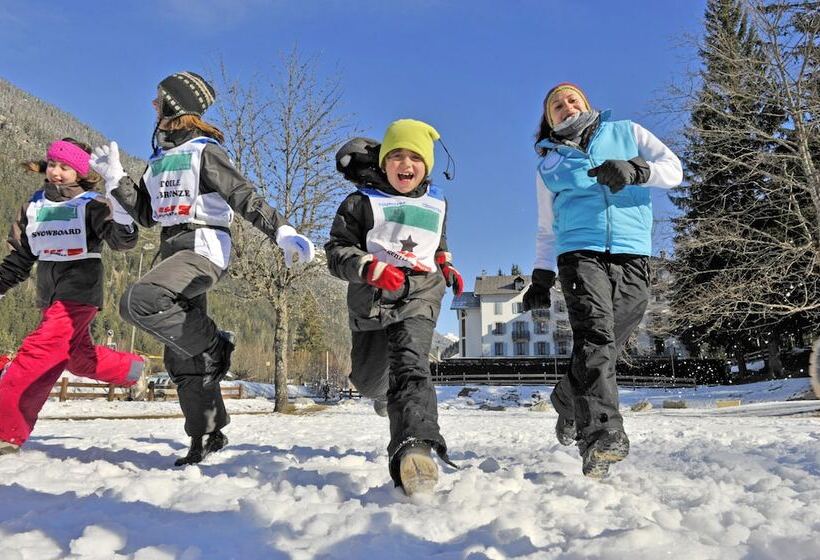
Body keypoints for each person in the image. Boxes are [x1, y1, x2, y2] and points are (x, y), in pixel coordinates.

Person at [90, 71, 315, 466]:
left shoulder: (205, 152)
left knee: (139, 301)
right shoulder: (158, 161)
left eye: (159, 99)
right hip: (170, 249)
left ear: (175, 105)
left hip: (204, 246)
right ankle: (207, 433)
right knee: (182, 355)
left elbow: (243, 196)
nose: (153, 105)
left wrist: (280, 230)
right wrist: (117, 179)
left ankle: (216, 343)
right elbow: (145, 215)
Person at [523, 83, 682, 478]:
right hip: (579, 253)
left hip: (632, 251)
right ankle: (601, 435)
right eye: (556, 105)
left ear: (586, 104)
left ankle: (566, 398)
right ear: (549, 120)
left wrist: (635, 171)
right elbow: (546, 226)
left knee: (613, 335)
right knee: (595, 335)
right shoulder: (549, 165)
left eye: (571, 99)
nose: (565, 106)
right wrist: (541, 276)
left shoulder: (627, 132)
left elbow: (673, 170)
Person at [326, 119, 462, 496]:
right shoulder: (360, 202)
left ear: (426, 165)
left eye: (416, 157)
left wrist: (446, 264)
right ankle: (384, 397)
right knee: (369, 380)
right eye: (397, 155)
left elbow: (437, 243)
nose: (406, 164)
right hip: (371, 301)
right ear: (384, 162)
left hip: (420, 292)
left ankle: (414, 449)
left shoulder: (437, 201)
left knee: (411, 365)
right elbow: (336, 252)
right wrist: (367, 267)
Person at [0, 138, 145, 455]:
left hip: (79, 294)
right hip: (50, 296)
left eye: (65, 167)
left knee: (38, 353)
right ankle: (133, 370)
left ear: (79, 172)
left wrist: (119, 205)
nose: (56, 171)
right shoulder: (34, 206)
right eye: (53, 164)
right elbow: (21, 258)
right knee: (77, 359)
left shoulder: (91, 204)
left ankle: (5, 431)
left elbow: (123, 241)